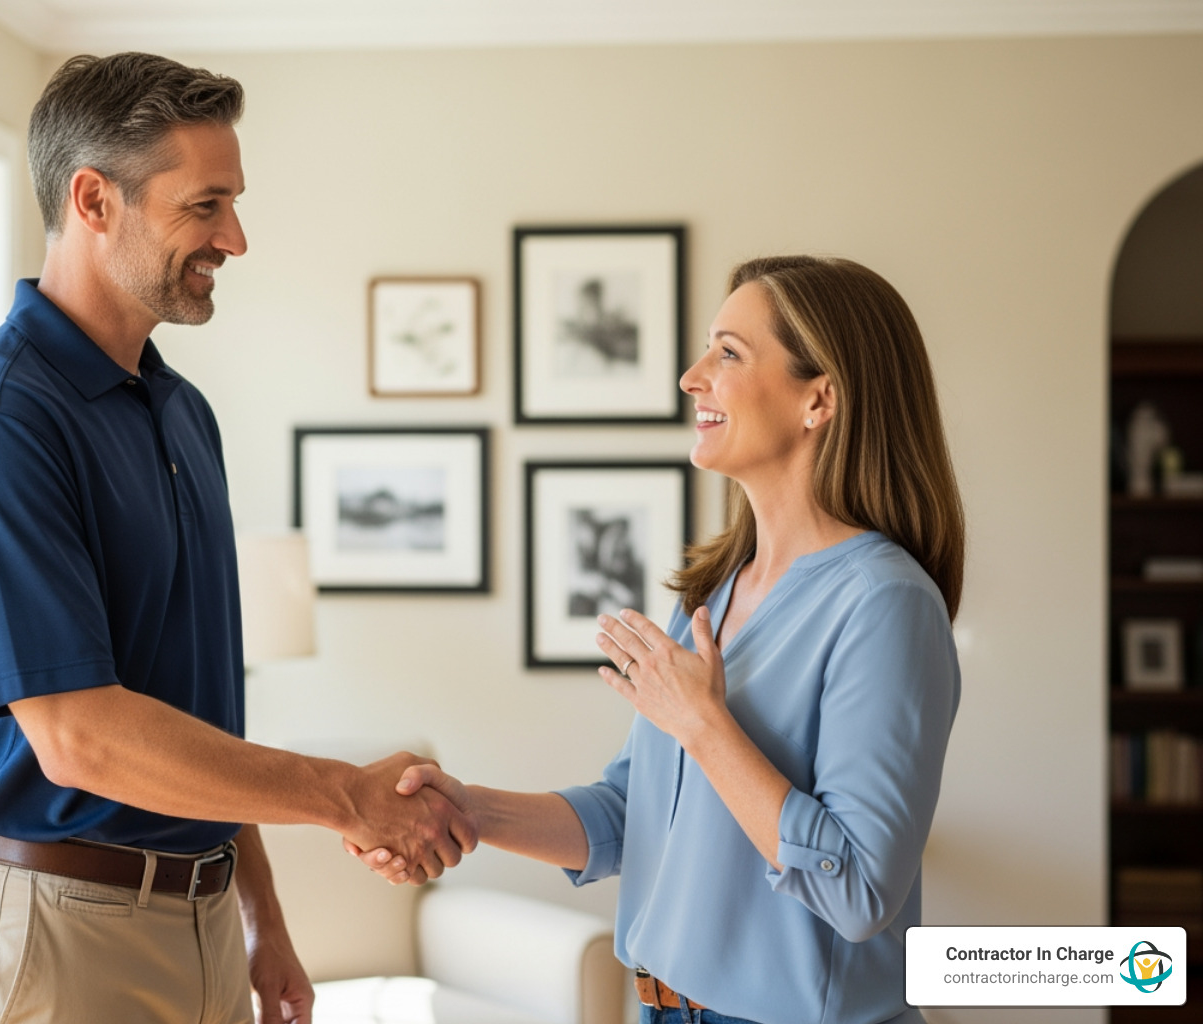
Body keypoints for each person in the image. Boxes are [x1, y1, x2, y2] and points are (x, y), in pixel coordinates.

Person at [0, 53, 474, 1024]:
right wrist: (348, 797)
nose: (236, 238)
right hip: (57, 932)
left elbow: (194, 712)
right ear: (94, 200)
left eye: (233, 203)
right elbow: (81, 737)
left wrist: (260, 916)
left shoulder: (180, 413)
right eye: (205, 205)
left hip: (200, 919)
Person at [352, 255, 965, 1024]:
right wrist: (466, 810)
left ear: (819, 399)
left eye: (729, 353)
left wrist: (705, 725)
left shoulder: (885, 603)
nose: (691, 376)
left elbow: (860, 889)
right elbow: (628, 814)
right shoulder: (717, 589)